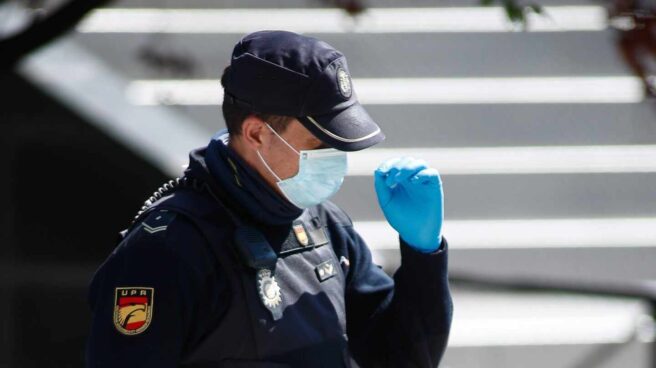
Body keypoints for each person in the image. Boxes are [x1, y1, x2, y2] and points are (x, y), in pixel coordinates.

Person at [86, 30, 453, 368]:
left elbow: (401, 358)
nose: (335, 157)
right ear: (257, 133)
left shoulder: (326, 226)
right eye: (319, 144)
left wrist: (423, 255)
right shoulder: (169, 249)